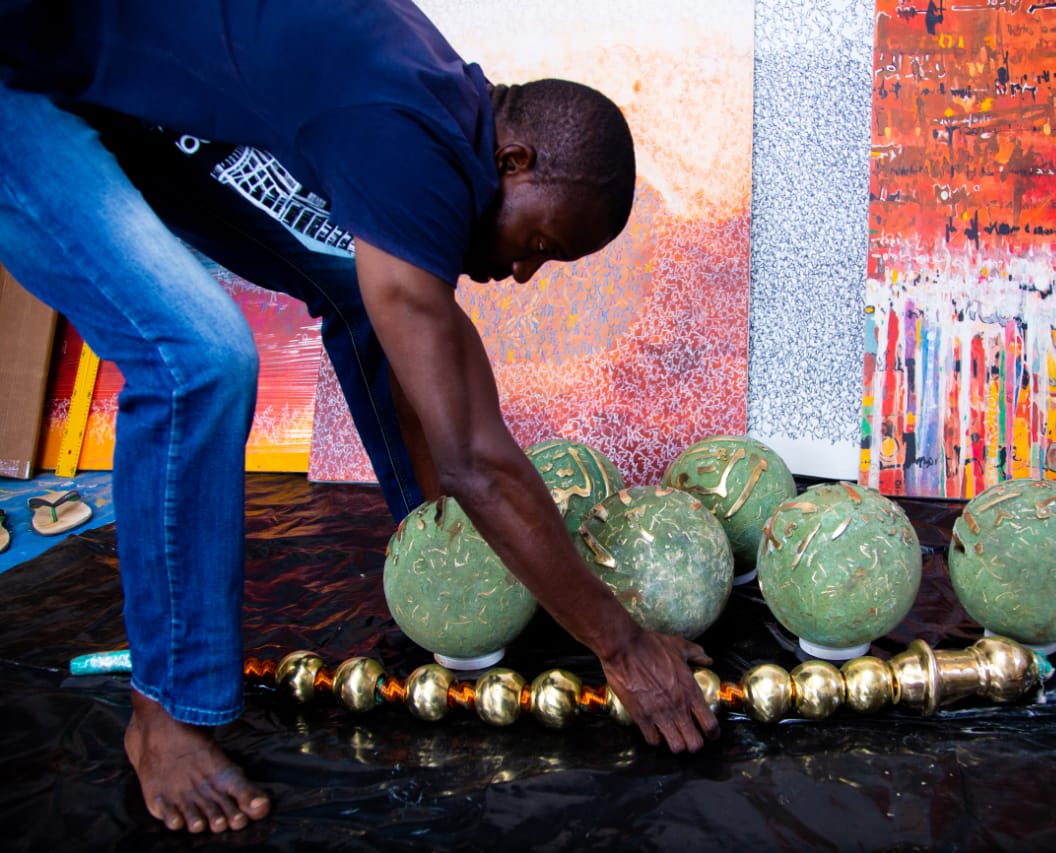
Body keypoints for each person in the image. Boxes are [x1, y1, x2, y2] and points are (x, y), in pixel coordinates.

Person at [0, 0, 719, 835]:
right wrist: (624, 645)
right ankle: (165, 712)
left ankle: (440, 555)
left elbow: (436, 372)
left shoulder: (439, 110)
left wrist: (479, 587)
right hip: (17, 80)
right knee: (198, 360)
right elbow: (476, 459)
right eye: (541, 244)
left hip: (100, 70)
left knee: (358, 287)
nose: (522, 271)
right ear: (514, 158)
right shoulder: (404, 139)